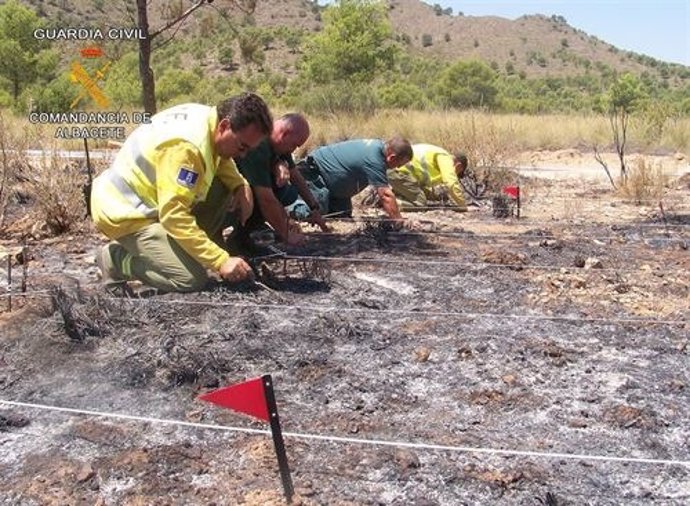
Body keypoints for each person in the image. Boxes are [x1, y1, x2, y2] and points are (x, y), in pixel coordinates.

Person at [90, 93, 273, 293]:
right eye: (242, 147)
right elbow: (173, 216)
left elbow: (218, 155)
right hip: (125, 211)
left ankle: (184, 251)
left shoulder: (209, 120)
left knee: (223, 187)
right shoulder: (186, 150)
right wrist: (220, 260)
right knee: (189, 279)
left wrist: (239, 184)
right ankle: (115, 260)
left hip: (149, 200)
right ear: (224, 126)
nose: (243, 155)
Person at [231, 113, 328, 251]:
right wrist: (286, 233)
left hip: (250, 190)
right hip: (227, 194)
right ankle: (240, 239)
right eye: (295, 145)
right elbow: (265, 199)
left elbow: (296, 176)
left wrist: (314, 208)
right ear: (285, 134)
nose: (295, 149)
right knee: (269, 189)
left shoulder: (279, 144)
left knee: (287, 190)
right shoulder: (258, 144)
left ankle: (252, 230)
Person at [298, 136, 413, 223]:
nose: (397, 168)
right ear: (391, 157)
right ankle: (286, 211)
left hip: (336, 190)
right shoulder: (375, 158)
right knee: (315, 212)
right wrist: (399, 222)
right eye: (398, 164)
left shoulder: (378, 149)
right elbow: (385, 195)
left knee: (342, 216)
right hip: (314, 173)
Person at [387, 144, 469, 211]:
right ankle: (388, 202)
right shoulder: (446, 158)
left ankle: (392, 196)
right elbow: (451, 183)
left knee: (424, 196)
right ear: (458, 166)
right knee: (421, 204)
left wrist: (436, 196)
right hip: (398, 172)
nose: (456, 176)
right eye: (458, 173)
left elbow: (423, 187)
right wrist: (462, 206)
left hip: (396, 172)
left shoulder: (438, 156)